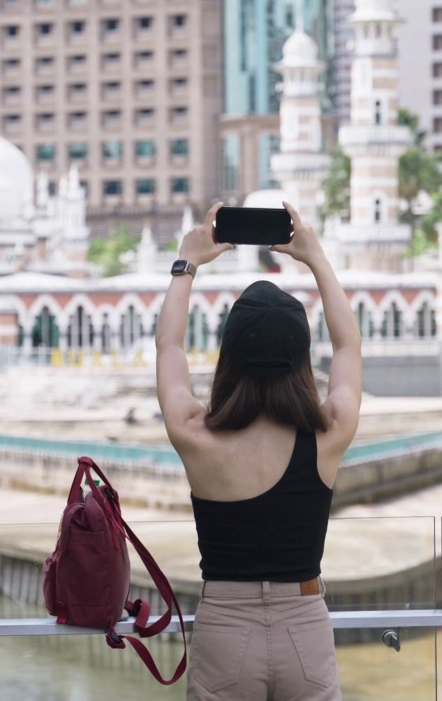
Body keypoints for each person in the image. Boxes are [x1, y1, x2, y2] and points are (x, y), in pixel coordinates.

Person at [156, 201, 363, 700]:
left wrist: (187, 263)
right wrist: (316, 259)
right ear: (299, 359)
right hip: (304, 625)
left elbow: (169, 350)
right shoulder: (328, 432)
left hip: (226, 629)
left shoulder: (195, 434)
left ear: (230, 356)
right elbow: (349, 347)